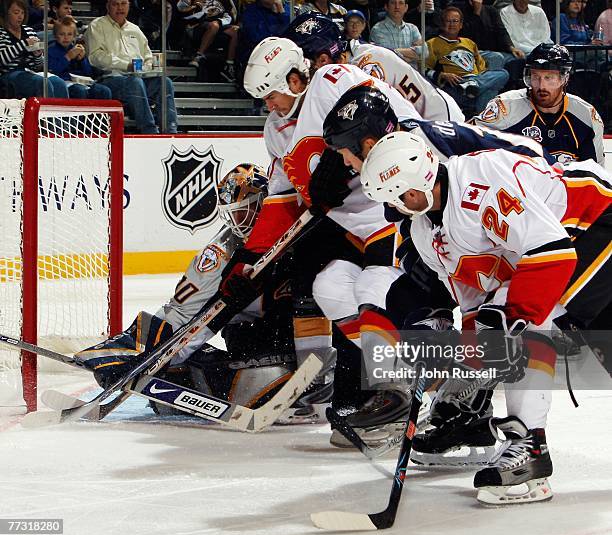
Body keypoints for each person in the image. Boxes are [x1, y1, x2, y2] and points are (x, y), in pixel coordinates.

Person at [359, 129, 611, 504]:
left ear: (412, 190)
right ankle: (505, 433)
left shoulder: (479, 181)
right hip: (564, 249)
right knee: (502, 328)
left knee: (517, 322)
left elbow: (551, 250)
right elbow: (476, 297)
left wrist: (510, 322)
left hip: (596, 222)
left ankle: (530, 449)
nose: (392, 209)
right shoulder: (426, 231)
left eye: (393, 199)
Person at [242, 36, 425, 436]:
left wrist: (339, 164)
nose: (268, 105)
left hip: (392, 214)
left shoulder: (331, 79)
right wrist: (250, 257)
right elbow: (281, 194)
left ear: (293, 79)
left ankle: (411, 387)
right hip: (347, 226)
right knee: (326, 287)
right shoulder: (276, 130)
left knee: (377, 294)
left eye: (271, 94)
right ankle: (377, 387)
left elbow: (391, 117)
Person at [75, 163, 336, 424]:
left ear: (263, 204)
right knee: (246, 381)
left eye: (243, 213)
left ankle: (328, 383)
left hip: (306, 332)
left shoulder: (300, 227)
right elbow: (183, 309)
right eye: (232, 216)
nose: (237, 224)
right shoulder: (224, 248)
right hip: (253, 337)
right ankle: (130, 356)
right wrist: (144, 351)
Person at [282, 12, 464, 122]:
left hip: (441, 121)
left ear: (322, 60)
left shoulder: (368, 62)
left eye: (305, 64)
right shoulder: (347, 62)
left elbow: (375, 121)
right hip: (419, 125)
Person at [472, 43, 605, 165]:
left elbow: (595, 174)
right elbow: (467, 139)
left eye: (549, 78)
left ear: (564, 78)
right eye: (536, 77)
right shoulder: (505, 107)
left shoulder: (586, 115)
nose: (541, 86)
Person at [85, 0, 178, 134]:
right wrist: (126, 66)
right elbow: (95, 57)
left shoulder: (135, 29)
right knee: (135, 82)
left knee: (164, 82)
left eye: (123, 4)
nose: (120, 8)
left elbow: (148, 56)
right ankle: (149, 130)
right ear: (107, 6)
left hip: (138, 77)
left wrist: (149, 67)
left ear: (129, 6)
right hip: (110, 79)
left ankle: (171, 130)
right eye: (115, 4)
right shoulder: (97, 26)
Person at [425, 7, 509, 116]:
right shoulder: (432, 43)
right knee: (491, 87)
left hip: (474, 85)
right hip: (455, 85)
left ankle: (475, 90)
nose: (452, 24)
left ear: (461, 25)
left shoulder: (469, 43)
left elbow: (481, 69)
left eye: (455, 21)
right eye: (448, 21)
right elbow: (423, 69)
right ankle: (482, 119)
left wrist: (480, 80)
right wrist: (442, 75)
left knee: (503, 74)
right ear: (442, 24)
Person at [0, 0, 69, 97]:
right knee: (42, 84)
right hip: (8, 74)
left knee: (59, 84)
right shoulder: (2, 33)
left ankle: (60, 112)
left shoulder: (29, 31)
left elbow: (38, 66)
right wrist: (23, 44)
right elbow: (2, 59)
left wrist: (38, 55)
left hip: (29, 72)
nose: (20, 16)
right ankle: (44, 112)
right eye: (16, 13)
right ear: (6, 13)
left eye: (22, 13)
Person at [48, 16, 112, 99]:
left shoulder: (77, 49)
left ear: (74, 36)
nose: (66, 37)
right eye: (62, 34)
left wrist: (82, 60)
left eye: (69, 34)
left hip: (83, 81)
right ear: (56, 36)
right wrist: (67, 57)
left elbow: (89, 73)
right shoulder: (50, 51)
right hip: (65, 82)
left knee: (104, 91)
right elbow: (53, 71)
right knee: (80, 91)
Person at [177, 0, 238, 81]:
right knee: (214, 26)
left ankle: (229, 66)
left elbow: (230, 15)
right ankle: (198, 56)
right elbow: (181, 8)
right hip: (197, 25)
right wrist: (193, 6)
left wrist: (220, 21)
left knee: (234, 30)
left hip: (219, 24)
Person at [369, 0, 428, 68]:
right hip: (389, 75)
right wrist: (413, 54)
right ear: (386, 7)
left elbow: (425, 52)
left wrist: (395, 51)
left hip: (411, 76)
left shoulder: (412, 29)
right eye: (393, 3)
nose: (397, 7)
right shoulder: (377, 29)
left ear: (406, 7)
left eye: (401, 3)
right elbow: (385, 54)